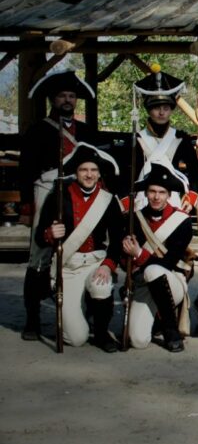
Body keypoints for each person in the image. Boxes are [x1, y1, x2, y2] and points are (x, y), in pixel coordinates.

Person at [19, 69, 98, 341]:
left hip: (75, 189)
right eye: (63, 95)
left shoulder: (85, 130)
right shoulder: (38, 129)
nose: (68, 100)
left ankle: (81, 312)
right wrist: (27, 208)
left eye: (72, 96)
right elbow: (26, 169)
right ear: (53, 100)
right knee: (40, 252)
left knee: (77, 245)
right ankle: (32, 320)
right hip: (46, 188)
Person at [34, 143, 123, 351]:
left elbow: (118, 239)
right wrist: (50, 234)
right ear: (76, 172)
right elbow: (39, 236)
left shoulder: (108, 200)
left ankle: (101, 333)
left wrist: (108, 265)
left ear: (100, 174)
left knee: (101, 285)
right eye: (84, 169)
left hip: (95, 262)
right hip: (68, 266)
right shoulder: (58, 195)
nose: (89, 175)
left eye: (94, 170)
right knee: (76, 338)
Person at [121, 162, 193, 352]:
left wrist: (138, 253)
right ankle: (155, 323)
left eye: (161, 192)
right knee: (137, 340)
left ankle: (171, 330)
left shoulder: (182, 222)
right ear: (145, 193)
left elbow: (168, 263)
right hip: (144, 284)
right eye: (152, 191)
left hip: (172, 282)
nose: (156, 197)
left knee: (154, 270)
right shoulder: (134, 219)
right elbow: (123, 259)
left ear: (169, 195)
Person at [131, 68, 198, 213]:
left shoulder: (181, 138)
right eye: (156, 107)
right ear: (148, 110)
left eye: (166, 108)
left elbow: (194, 170)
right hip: (143, 198)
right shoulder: (136, 138)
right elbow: (128, 173)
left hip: (173, 198)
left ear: (171, 110)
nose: (162, 112)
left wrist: (191, 196)